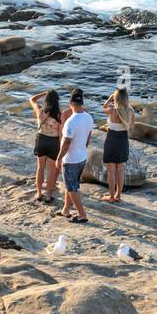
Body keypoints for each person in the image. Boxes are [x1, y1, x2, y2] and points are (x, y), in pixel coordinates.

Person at [56, 88, 94, 223]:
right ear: (82, 102)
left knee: (72, 188)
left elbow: (66, 143)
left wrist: (59, 158)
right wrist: (81, 148)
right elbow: (88, 138)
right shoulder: (89, 117)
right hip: (82, 156)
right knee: (70, 185)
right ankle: (65, 210)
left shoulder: (71, 121)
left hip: (71, 159)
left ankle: (82, 214)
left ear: (69, 102)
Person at [29, 88, 63, 203]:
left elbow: (32, 99)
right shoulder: (60, 115)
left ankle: (38, 193)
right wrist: (61, 149)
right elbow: (60, 134)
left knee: (40, 168)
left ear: (46, 100)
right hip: (53, 142)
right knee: (51, 170)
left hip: (41, 140)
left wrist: (43, 93)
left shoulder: (40, 111)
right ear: (57, 101)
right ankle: (48, 195)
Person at [101, 86, 134, 202]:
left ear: (116, 98)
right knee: (120, 170)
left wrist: (109, 99)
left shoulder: (113, 111)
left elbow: (103, 108)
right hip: (123, 141)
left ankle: (111, 196)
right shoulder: (130, 111)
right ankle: (118, 196)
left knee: (111, 171)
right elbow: (132, 127)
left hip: (111, 140)